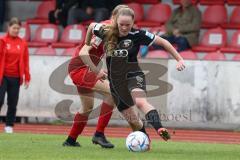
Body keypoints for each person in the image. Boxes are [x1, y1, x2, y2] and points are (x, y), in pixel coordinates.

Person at [84, 7, 186, 141]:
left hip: (133, 74)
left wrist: (179, 59)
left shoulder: (138, 34)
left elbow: (164, 42)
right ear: (116, 22)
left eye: (128, 25)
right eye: (121, 24)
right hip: (115, 81)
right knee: (133, 119)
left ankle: (159, 128)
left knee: (140, 102)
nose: (125, 28)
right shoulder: (106, 31)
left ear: (133, 22)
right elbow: (91, 26)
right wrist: (88, 42)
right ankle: (145, 139)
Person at [63, 5, 129, 148]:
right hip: (80, 69)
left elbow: (93, 29)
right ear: (114, 17)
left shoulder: (114, 30)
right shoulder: (104, 29)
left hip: (83, 69)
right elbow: (83, 53)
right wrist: (96, 71)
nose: (124, 25)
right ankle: (99, 134)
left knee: (87, 108)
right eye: (121, 20)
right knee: (113, 93)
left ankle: (70, 140)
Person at [0, 17, 30, 133]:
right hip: (3, 77)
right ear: (9, 28)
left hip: (16, 77)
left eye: (18, 28)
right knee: (0, 100)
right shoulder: (2, 41)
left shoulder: (23, 43)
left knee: (12, 103)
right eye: (14, 28)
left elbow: (26, 61)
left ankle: (9, 126)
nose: (16, 30)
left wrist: (27, 77)